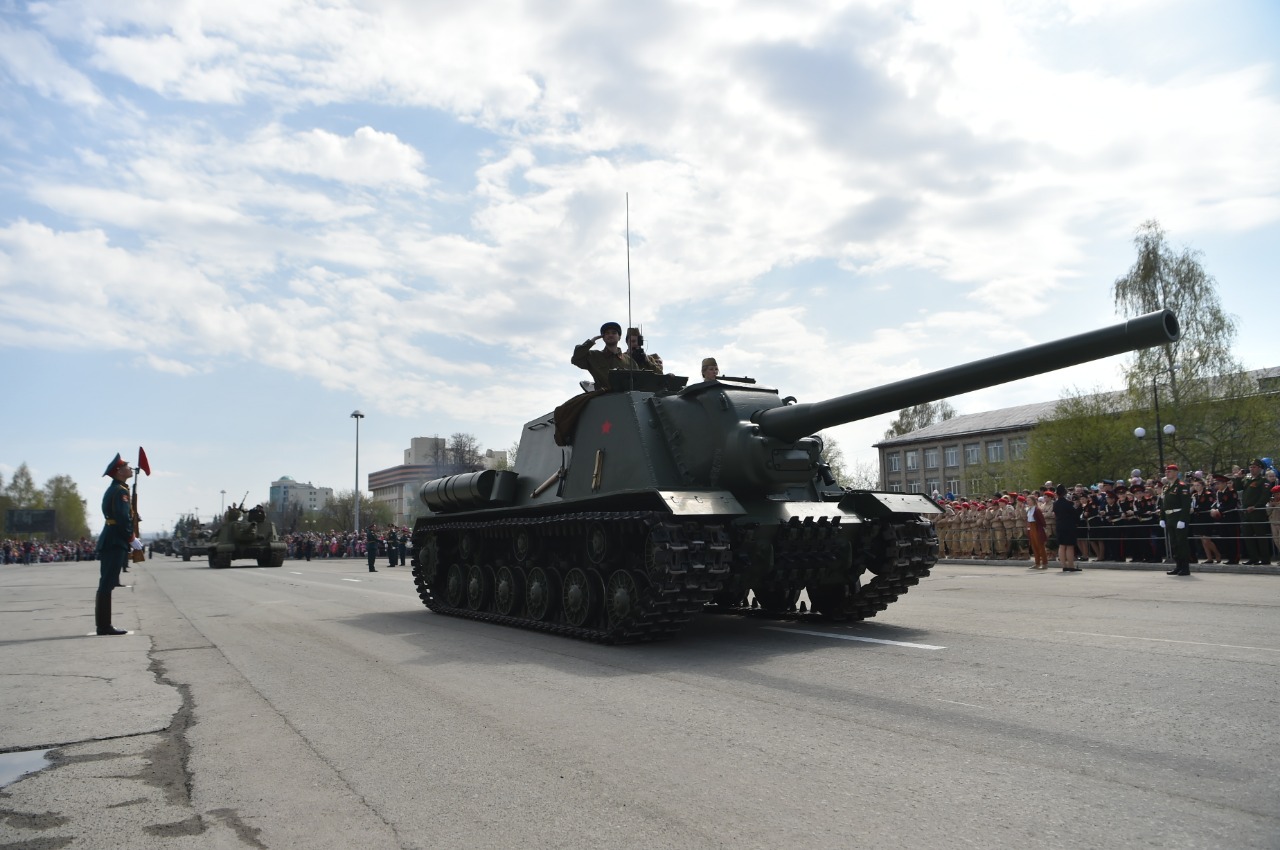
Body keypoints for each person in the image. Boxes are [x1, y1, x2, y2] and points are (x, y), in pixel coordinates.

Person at [94, 453, 141, 635]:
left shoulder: (117, 489)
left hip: (112, 538)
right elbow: (121, 518)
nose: (130, 469)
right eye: (127, 467)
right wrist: (131, 538)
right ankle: (104, 626)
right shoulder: (120, 491)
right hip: (115, 540)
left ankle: (103, 625)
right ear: (119, 471)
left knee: (107, 582)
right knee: (107, 583)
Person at [571, 322, 635, 391]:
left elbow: (638, 381)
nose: (610, 335)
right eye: (607, 333)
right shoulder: (594, 356)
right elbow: (576, 358)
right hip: (603, 397)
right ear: (603, 338)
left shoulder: (629, 361)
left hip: (626, 398)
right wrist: (591, 342)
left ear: (619, 337)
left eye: (614, 333)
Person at [1160, 464, 1193, 576]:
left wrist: (1182, 520)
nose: (1167, 473)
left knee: (1181, 543)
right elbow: (1163, 504)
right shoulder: (1167, 487)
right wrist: (1162, 517)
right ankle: (1178, 566)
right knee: (1174, 544)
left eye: (1169, 471)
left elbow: (1186, 504)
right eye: (1166, 471)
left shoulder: (1181, 486)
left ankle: (1185, 567)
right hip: (1169, 517)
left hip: (1178, 516)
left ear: (1175, 472)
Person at [1240, 458, 1272, 565]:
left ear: (1260, 468)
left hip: (1257, 512)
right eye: (1250, 467)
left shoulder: (1263, 481)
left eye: (1254, 467)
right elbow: (1238, 487)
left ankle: (1265, 559)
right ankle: (1253, 557)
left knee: (1260, 536)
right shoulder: (1247, 479)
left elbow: (1265, 497)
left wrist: (1256, 506)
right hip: (1246, 512)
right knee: (1247, 536)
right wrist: (1238, 477)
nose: (1251, 469)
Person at [1052, 484, 1080, 571]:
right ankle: (1071, 565)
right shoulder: (1068, 503)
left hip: (1059, 525)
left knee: (1062, 546)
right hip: (1069, 526)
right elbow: (1075, 515)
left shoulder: (1055, 504)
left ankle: (1064, 565)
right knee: (1070, 546)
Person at [1026, 495, 1048, 569]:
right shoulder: (1029, 509)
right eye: (1027, 500)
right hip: (1031, 527)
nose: (1027, 502)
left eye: (1029, 500)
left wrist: (1042, 528)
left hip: (1036, 527)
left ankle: (1044, 563)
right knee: (1034, 546)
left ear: (1033, 501)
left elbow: (1041, 520)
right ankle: (1037, 563)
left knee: (1040, 546)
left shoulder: (1037, 509)